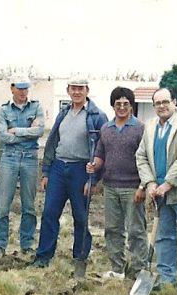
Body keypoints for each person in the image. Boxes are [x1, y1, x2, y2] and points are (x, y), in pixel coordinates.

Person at [32, 76, 108, 278]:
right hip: (58, 168)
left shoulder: (97, 116)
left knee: (80, 216)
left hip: (81, 170)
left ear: (87, 90)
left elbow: (103, 148)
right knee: (49, 213)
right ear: (68, 90)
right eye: (73, 88)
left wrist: (93, 179)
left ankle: (80, 256)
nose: (76, 92)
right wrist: (46, 172)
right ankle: (43, 256)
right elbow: (52, 142)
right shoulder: (63, 113)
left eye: (80, 89)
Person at [135, 88, 177, 295]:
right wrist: (149, 183)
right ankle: (167, 279)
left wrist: (168, 183)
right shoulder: (150, 127)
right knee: (164, 237)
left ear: (174, 102)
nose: (162, 106)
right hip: (159, 194)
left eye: (166, 101)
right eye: (157, 103)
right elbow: (141, 157)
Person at [87, 86, 147, 279]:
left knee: (136, 231)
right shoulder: (106, 128)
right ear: (113, 106)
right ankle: (117, 268)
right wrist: (94, 165)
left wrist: (143, 186)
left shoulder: (140, 129)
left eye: (126, 104)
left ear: (131, 106)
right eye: (118, 104)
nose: (122, 107)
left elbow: (147, 159)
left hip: (133, 188)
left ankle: (138, 269)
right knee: (113, 229)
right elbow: (100, 154)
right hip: (111, 187)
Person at [0, 75, 45, 257]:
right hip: (9, 158)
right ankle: (0, 246)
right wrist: (27, 133)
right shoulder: (3, 110)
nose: (23, 92)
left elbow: (39, 131)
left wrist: (16, 130)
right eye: (20, 88)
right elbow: (2, 136)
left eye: (26, 88)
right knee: (2, 205)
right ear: (12, 88)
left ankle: (27, 244)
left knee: (29, 205)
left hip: (30, 159)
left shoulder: (36, 107)